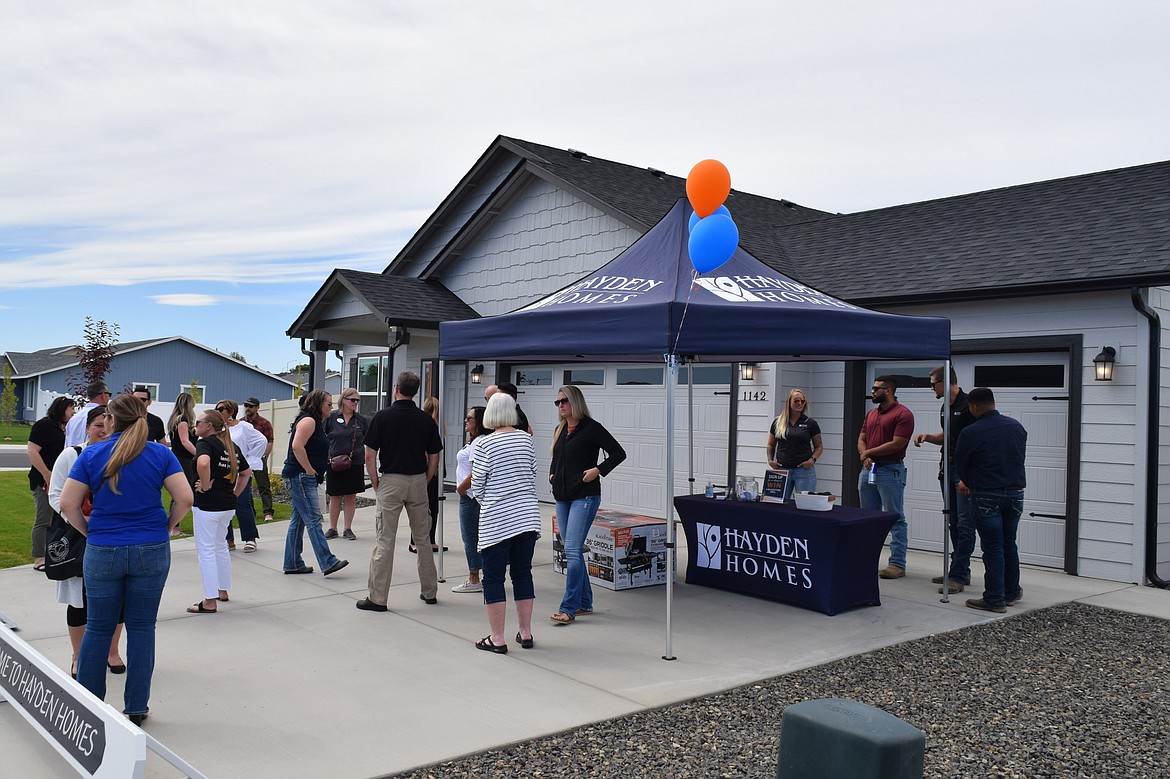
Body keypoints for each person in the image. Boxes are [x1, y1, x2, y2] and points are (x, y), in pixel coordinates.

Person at [59, 393, 193, 726]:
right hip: (151, 546)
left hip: (104, 547)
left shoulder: (92, 454)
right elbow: (185, 497)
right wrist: (167, 526)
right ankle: (136, 706)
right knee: (142, 627)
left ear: (110, 420)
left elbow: (67, 503)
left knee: (99, 628)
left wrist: (90, 532)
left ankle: (90, 706)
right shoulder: (160, 453)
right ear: (143, 417)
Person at [47, 405, 125, 678]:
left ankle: (112, 652)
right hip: (80, 536)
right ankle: (78, 655)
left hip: (114, 537)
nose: (103, 431)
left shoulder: (122, 456)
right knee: (80, 601)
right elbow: (56, 496)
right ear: (87, 428)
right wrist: (83, 523)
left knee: (118, 599)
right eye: (97, 426)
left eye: (107, 426)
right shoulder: (72, 455)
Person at [357, 371, 442, 612]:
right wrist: (426, 477)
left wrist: (375, 482)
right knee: (423, 539)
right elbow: (435, 454)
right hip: (417, 480)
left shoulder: (383, 417)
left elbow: (370, 454)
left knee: (385, 539)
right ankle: (429, 591)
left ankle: (378, 598)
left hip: (391, 480)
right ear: (415, 391)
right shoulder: (426, 420)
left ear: (397, 388)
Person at [470, 392, 542, 653]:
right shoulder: (526, 439)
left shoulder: (484, 444)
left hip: (497, 519)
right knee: (522, 573)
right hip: (527, 516)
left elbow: (477, 485)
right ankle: (525, 632)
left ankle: (497, 637)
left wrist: (489, 500)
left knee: (493, 578)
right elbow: (532, 472)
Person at [548, 384, 626, 625]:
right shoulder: (560, 429)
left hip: (585, 496)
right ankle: (584, 602)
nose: (560, 406)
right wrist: (551, 475)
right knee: (572, 549)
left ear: (575, 402)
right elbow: (557, 458)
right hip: (563, 497)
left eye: (564, 401)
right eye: (558, 402)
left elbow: (618, 453)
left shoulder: (592, 428)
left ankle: (568, 607)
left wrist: (598, 470)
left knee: (571, 550)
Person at [955, 387, 1028, 614]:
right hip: (1015, 493)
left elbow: (961, 465)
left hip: (986, 493)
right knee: (1009, 543)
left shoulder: (971, 432)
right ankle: (1011, 591)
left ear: (974, 406)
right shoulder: (1017, 427)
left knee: (993, 547)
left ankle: (994, 598)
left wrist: (968, 481)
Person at [913, 365, 977, 594]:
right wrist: (929, 437)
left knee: (965, 523)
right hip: (946, 468)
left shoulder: (969, 405)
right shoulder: (944, 407)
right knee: (953, 522)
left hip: (963, 471)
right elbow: (949, 436)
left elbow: (976, 442)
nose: (931, 389)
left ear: (946, 381)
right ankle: (960, 570)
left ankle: (958, 575)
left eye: (933, 384)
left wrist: (968, 477)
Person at [280, 389, 349, 577]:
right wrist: (309, 470)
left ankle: (292, 562)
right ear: (318, 405)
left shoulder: (313, 422)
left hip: (301, 476)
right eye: (328, 404)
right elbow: (297, 446)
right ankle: (327, 561)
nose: (331, 407)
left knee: (299, 520)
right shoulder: (308, 421)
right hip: (301, 476)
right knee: (313, 519)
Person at [188, 409, 250, 613]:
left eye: (198, 422)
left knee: (206, 550)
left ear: (209, 426)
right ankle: (223, 590)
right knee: (220, 546)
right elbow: (246, 472)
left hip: (208, 506)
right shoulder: (231, 446)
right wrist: (235, 494)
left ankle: (209, 601)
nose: (195, 425)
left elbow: (203, 462)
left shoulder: (206, 443)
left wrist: (205, 486)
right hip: (227, 505)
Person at [857, 374, 915, 579]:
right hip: (869, 470)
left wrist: (869, 453)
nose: (872, 392)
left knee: (894, 517)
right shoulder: (872, 414)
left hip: (891, 471)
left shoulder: (903, 414)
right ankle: (865, 559)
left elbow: (897, 443)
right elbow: (862, 438)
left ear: (888, 391)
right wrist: (865, 456)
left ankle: (897, 564)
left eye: (876, 389)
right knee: (867, 517)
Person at [27, 396, 74, 570]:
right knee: (43, 519)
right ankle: (39, 558)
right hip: (43, 481)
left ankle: (52, 554)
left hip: (58, 480)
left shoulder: (62, 428)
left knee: (55, 520)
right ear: (61, 409)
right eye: (71, 409)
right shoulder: (44, 425)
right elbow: (32, 451)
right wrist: (46, 474)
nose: (73, 413)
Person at [215, 399, 266, 552]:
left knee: (242, 503)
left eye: (221, 409)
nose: (218, 411)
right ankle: (228, 539)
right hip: (222, 472)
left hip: (240, 473)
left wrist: (249, 462)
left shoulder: (243, 427)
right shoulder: (217, 429)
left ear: (231, 411)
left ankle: (250, 538)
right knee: (223, 505)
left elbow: (261, 441)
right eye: (216, 409)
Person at [452, 405, 488, 593]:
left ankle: (474, 578)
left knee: (470, 537)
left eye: (469, 418)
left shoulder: (479, 442)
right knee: (475, 536)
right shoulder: (474, 441)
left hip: (471, 497)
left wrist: (461, 488)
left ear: (479, 422)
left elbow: (477, 472)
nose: (466, 420)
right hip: (471, 496)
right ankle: (481, 575)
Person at [765, 388, 824, 501]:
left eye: (802, 401)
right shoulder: (778, 422)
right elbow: (770, 445)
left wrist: (812, 460)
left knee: (805, 504)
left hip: (803, 470)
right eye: (796, 401)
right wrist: (770, 460)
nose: (800, 403)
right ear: (789, 402)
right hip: (781, 470)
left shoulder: (810, 423)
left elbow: (819, 446)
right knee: (776, 505)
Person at [324, 387, 368, 541]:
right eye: (353, 400)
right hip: (335, 463)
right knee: (335, 496)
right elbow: (322, 438)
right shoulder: (331, 417)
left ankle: (348, 528)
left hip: (354, 463)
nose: (356, 403)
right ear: (343, 400)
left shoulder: (360, 420)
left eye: (357, 400)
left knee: (350, 496)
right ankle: (332, 528)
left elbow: (368, 441)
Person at [415, 396, 446, 553]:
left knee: (434, 508)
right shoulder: (426, 426)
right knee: (422, 508)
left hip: (437, 472)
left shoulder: (439, 426)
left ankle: (431, 539)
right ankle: (414, 541)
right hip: (428, 471)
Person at [242, 397, 275, 522]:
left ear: (257, 408)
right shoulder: (241, 423)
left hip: (259, 458)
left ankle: (268, 512)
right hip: (245, 459)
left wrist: (264, 456)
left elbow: (270, 440)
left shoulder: (264, 423)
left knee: (263, 485)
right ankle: (251, 511)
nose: (248, 409)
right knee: (245, 485)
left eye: (251, 406)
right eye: (246, 406)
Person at [166, 392, 199, 498]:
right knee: (185, 490)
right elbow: (185, 441)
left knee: (181, 491)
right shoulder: (182, 420)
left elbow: (177, 442)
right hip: (184, 459)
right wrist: (198, 454)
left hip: (178, 457)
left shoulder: (174, 419)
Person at [64, 381, 111, 447]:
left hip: (71, 455)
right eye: (109, 394)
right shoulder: (102, 417)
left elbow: (67, 442)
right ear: (103, 395)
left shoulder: (73, 419)